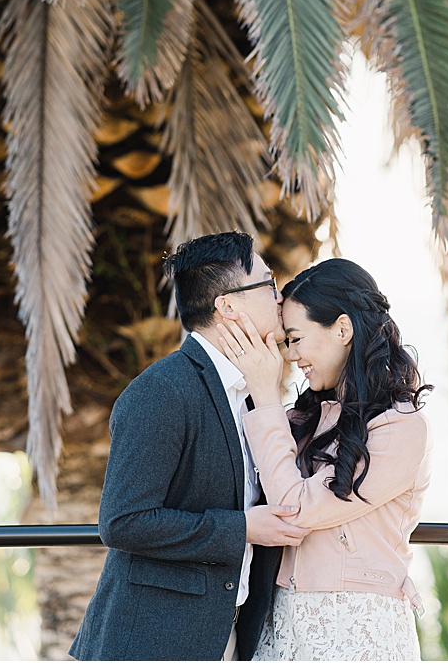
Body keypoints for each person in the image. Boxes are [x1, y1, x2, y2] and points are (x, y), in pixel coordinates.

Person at [68, 231, 310, 661]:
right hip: (151, 641)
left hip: (228, 638)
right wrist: (243, 528)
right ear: (229, 305)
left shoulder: (256, 394)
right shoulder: (161, 391)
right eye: (269, 284)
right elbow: (123, 521)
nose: (280, 298)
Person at [215, 258, 433, 661]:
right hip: (280, 624)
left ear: (343, 329)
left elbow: (294, 510)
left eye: (295, 339)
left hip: (358, 627)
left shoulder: (401, 427)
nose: (291, 357)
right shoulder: (306, 418)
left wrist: (265, 397)